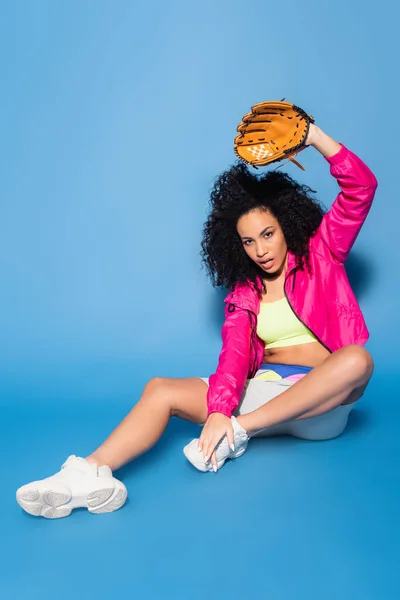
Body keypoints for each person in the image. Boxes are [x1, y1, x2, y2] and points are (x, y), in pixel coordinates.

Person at [16, 123, 377, 519]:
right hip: (263, 395)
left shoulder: (321, 254)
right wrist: (222, 410)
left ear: (286, 226)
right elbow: (235, 355)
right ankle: (86, 475)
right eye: (248, 242)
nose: (260, 250)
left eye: (268, 234)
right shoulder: (245, 292)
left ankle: (238, 434)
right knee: (160, 390)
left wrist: (313, 137)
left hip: (318, 405)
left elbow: (361, 189)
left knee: (358, 360)